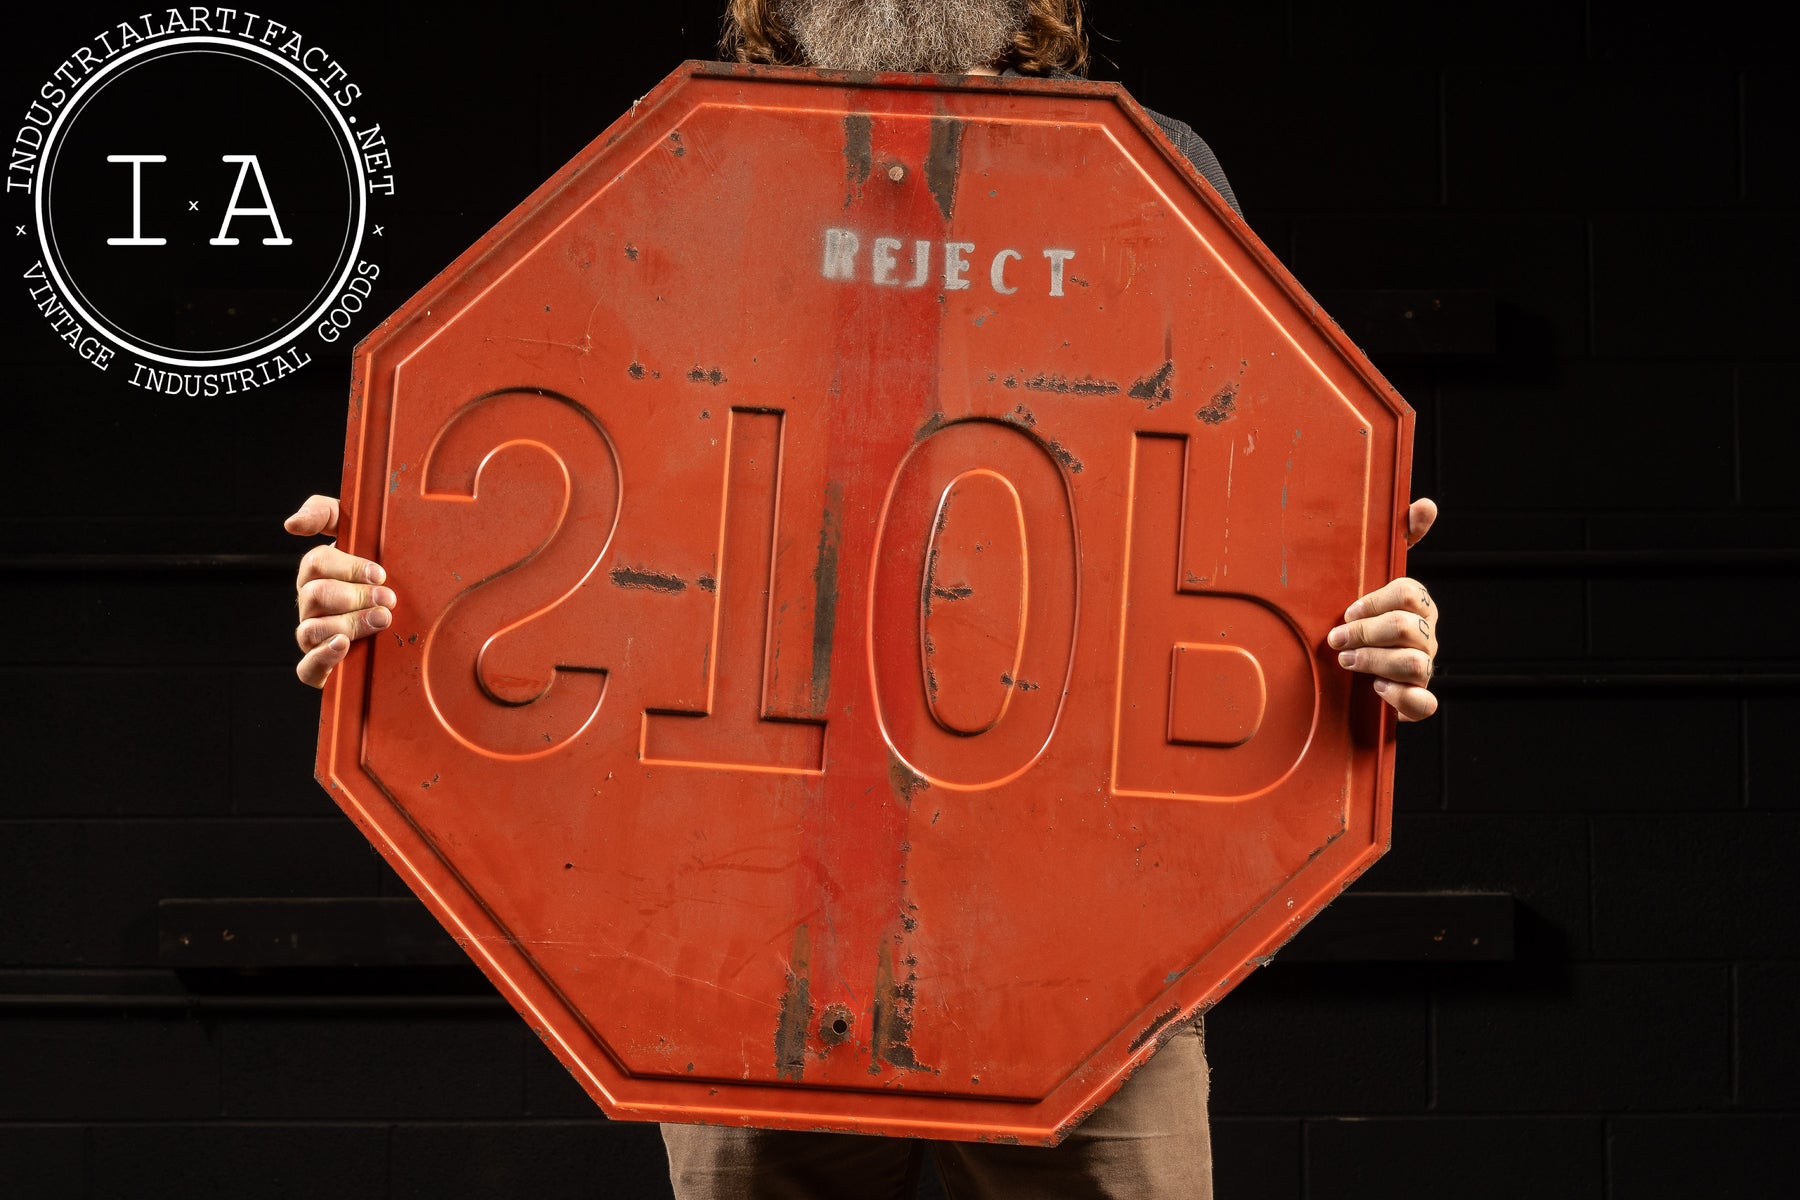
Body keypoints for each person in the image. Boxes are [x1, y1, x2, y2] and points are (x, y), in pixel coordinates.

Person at [288, 3, 1442, 1195]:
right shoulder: (677, 163)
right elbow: (570, 468)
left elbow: (1252, 498)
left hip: (1084, 978)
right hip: (742, 963)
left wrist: (1361, 621)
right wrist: (393, 577)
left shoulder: (1158, 171)